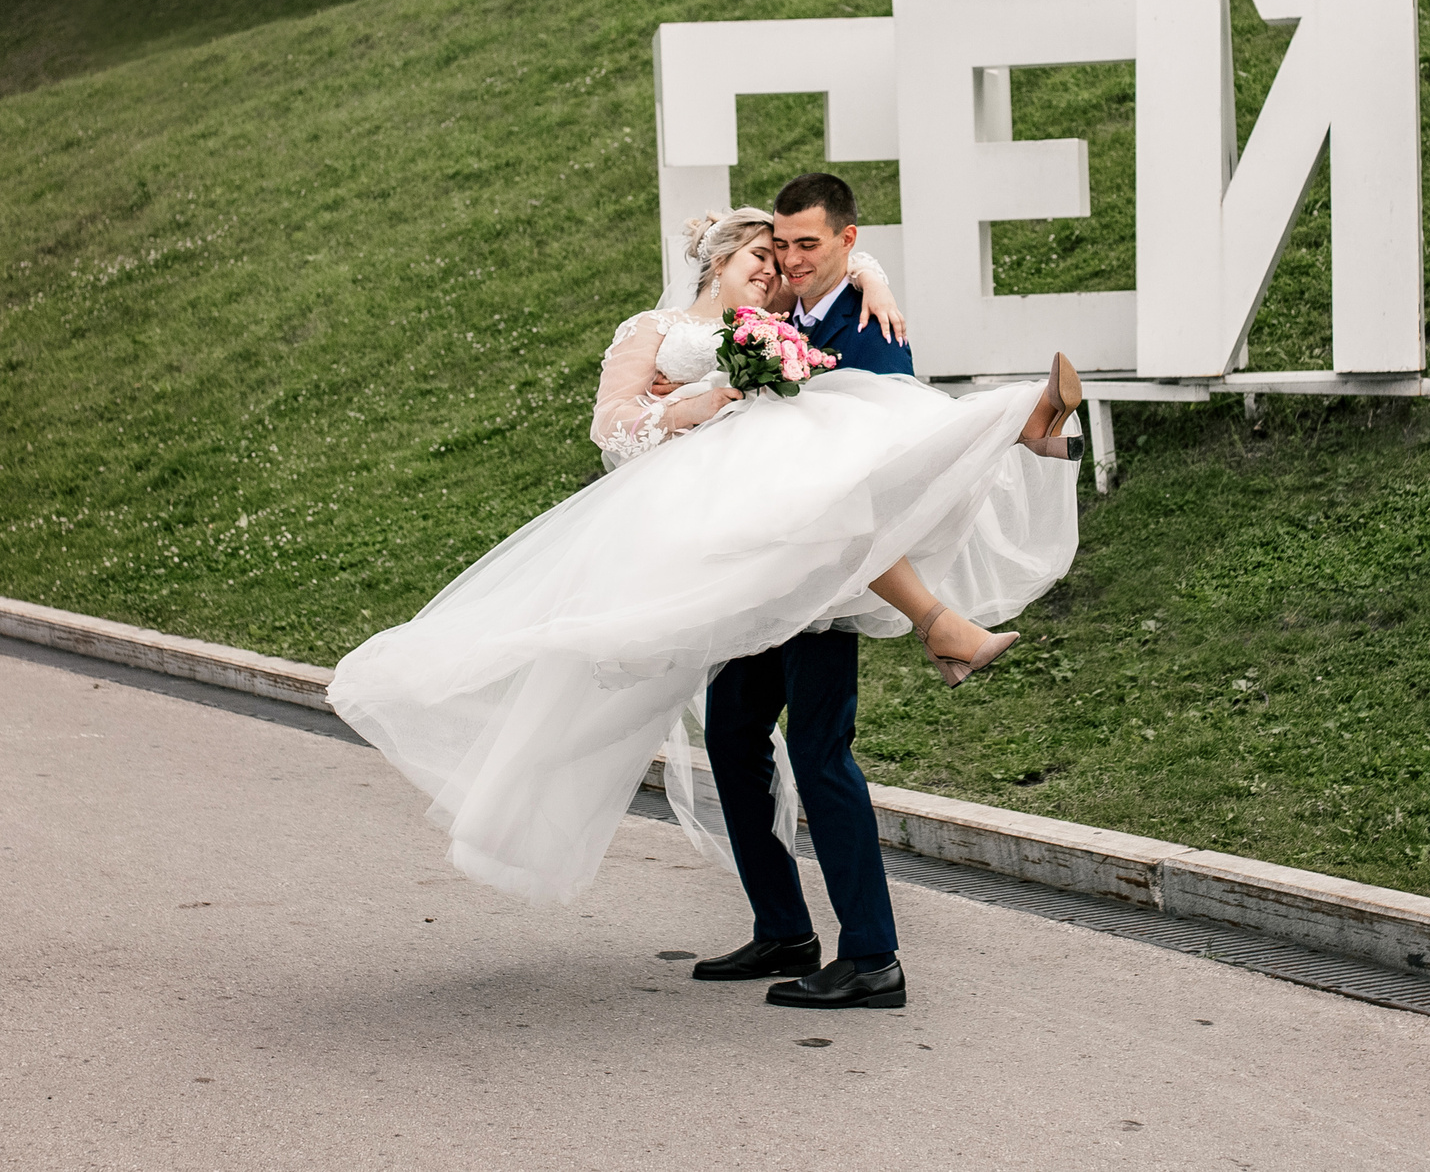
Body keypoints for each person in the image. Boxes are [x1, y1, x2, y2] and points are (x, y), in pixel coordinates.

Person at [328, 200, 1086, 1012]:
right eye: (755, 256)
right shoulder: (655, 330)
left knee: (822, 740)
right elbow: (613, 426)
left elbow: (835, 273)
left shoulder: (779, 326)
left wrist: (869, 272)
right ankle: (784, 927)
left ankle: (872, 952)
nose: (772, 269)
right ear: (715, 261)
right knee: (732, 736)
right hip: (733, 563)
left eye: (777, 258)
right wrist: (695, 402)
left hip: (797, 573)